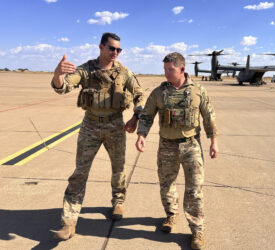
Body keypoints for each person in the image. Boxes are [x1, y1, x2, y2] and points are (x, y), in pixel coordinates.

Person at [51, 32, 144, 240]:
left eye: (119, 49)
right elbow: (63, 87)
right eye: (111, 48)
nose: (115, 53)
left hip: (115, 126)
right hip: (90, 126)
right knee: (80, 173)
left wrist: (136, 116)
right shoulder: (86, 70)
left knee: (118, 168)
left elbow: (139, 94)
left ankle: (118, 202)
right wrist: (57, 75)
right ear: (101, 47)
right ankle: (69, 221)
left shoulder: (123, 72)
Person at [135, 52, 219, 250]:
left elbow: (209, 117)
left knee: (195, 189)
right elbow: (147, 116)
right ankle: (171, 215)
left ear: (182, 69)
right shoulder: (159, 92)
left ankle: (197, 230)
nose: (166, 73)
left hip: (191, 145)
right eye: (164, 69)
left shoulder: (198, 90)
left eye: (169, 70)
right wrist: (141, 136)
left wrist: (213, 142)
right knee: (166, 184)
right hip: (167, 146)